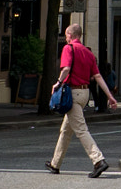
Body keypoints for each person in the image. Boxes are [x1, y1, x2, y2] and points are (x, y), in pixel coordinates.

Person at [46, 23, 117, 178]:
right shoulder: (88, 53)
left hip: (72, 93)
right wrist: (110, 96)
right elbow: (98, 77)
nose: (65, 38)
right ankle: (55, 164)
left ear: (71, 35)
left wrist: (57, 83)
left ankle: (98, 160)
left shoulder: (68, 49)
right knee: (65, 130)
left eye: (66, 35)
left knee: (81, 130)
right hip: (85, 94)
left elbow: (65, 69)